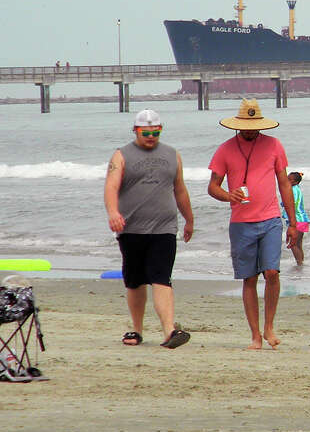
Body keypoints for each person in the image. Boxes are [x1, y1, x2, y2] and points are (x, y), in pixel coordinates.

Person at [207, 99, 297, 350]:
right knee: (249, 278)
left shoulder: (274, 146)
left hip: (270, 220)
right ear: (238, 125)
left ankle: (269, 326)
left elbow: (284, 184)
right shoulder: (225, 149)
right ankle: (255, 335)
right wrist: (229, 195)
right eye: (246, 126)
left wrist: (292, 223)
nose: (250, 130)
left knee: (272, 273)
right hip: (241, 223)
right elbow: (213, 187)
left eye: (254, 126)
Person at [104, 109, 194, 349]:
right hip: (131, 228)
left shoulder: (172, 155)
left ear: (160, 130)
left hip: (164, 228)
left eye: (155, 132)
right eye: (146, 132)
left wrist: (189, 219)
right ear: (136, 130)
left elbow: (180, 190)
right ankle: (136, 329)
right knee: (134, 281)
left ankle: (169, 331)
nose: (151, 136)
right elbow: (111, 187)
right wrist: (113, 213)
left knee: (161, 277)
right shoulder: (121, 155)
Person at [280, 171, 310, 266]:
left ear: (296, 182)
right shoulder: (297, 189)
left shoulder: (292, 190)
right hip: (303, 219)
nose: (287, 181)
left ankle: (299, 264)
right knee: (298, 244)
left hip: (297, 219)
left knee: (292, 244)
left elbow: (292, 203)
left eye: (290, 180)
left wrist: (283, 203)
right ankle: (301, 263)